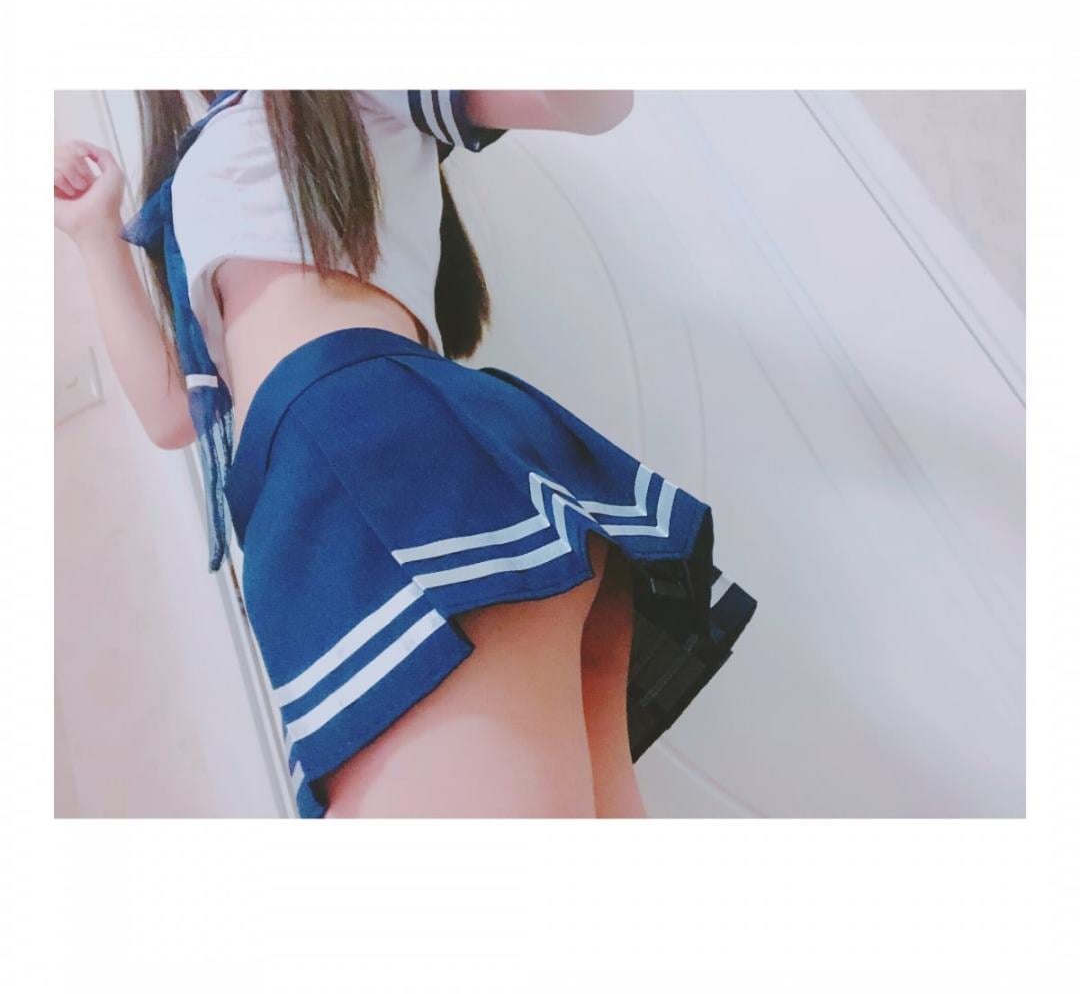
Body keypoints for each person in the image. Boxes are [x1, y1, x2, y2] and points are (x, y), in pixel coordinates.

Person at [53, 89, 758, 819]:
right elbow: (173, 412)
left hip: (368, 463)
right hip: (338, 484)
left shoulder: (322, 83)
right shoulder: (195, 169)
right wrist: (93, 231)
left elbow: (586, 98)